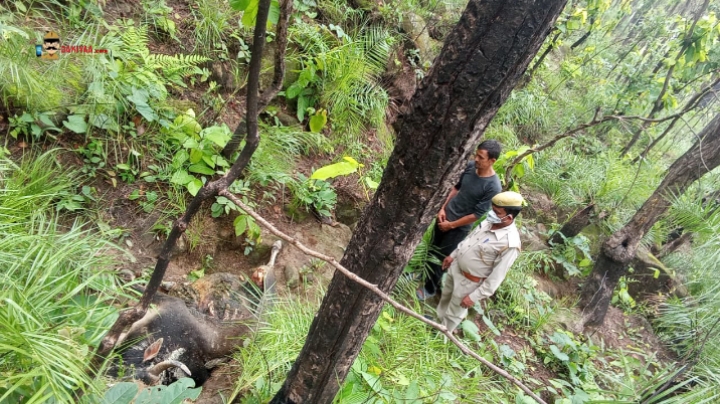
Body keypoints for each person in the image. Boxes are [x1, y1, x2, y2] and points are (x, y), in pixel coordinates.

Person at [417, 140, 502, 300]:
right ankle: (421, 275)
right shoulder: (471, 167)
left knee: (441, 257)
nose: (476, 159)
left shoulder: (493, 187)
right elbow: (456, 187)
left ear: (492, 161)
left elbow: (477, 214)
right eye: (476, 155)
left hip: (458, 228)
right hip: (445, 216)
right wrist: (442, 207)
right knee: (431, 248)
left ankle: (430, 288)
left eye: (481, 157)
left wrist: (451, 225)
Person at [435, 191, 523, 333]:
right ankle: (436, 322)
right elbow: (470, 239)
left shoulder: (510, 244)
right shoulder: (489, 222)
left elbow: (496, 277)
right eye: (492, 209)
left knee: (454, 313)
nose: (491, 213)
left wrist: (474, 296)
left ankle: (442, 336)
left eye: (497, 212)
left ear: (509, 217)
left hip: (469, 282)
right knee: (445, 297)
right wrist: (453, 255)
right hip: (456, 268)